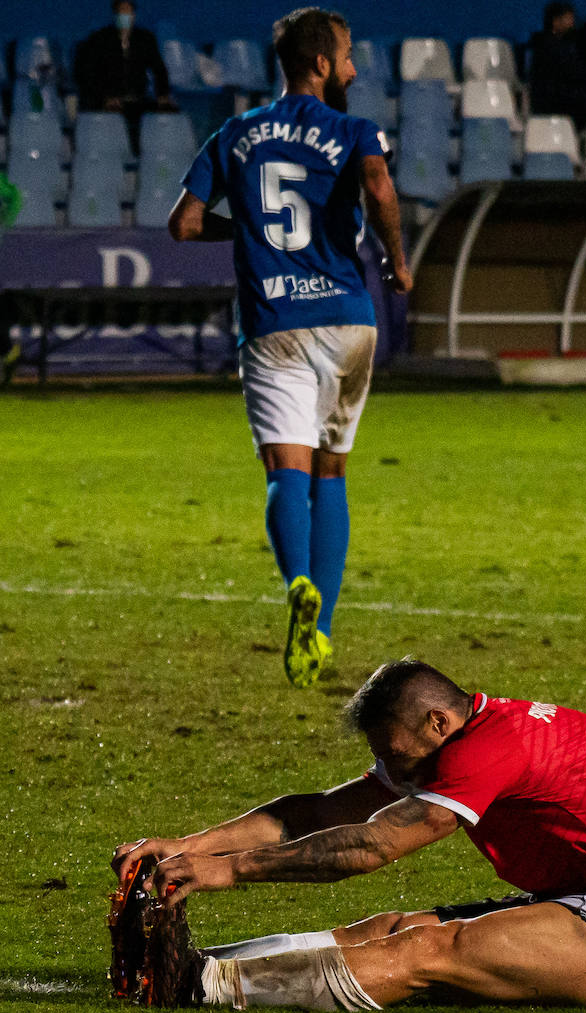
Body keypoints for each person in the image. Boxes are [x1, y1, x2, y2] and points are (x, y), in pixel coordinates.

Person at [111, 659, 586, 1013]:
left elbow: (373, 845)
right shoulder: (463, 736)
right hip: (580, 900)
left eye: (394, 754)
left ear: (437, 722)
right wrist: (194, 847)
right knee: (388, 929)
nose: (391, 771)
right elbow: (323, 810)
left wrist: (231, 870)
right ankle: (196, 966)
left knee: (431, 950)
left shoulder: (488, 748)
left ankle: (203, 987)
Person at [168, 8, 412, 688]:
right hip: (346, 318)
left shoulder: (236, 133)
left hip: (272, 319)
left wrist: (248, 234)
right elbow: (378, 183)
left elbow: (184, 224)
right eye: (350, 54)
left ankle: (298, 580)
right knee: (332, 470)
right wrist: (396, 259)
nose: (356, 66)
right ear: (323, 64)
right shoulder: (354, 130)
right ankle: (322, 631)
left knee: (286, 469)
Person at [74, 0, 176, 152]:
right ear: (115, 15)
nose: (125, 16)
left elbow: (159, 70)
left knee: (166, 113)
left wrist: (163, 94)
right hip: (107, 100)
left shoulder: (145, 39)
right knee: (109, 117)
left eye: (128, 12)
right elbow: (88, 75)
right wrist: (105, 97)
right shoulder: (100, 39)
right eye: (121, 12)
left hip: (137, 99)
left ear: (134, 15)